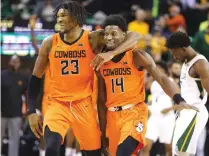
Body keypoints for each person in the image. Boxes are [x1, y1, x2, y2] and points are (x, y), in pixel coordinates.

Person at [27, 1, 141, 156]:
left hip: (83, 105)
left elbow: (134, 36)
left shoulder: (92, 39)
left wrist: (111, 53)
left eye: (63, 16)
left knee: (94, 152)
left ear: (75, 18)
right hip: (57, 104)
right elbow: (35, 78)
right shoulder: (50, 43)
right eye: (58, 16)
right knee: (51, 148)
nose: (59, 20)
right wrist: (31, 111)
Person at [96, 15, 196, 156]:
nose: (109, 37)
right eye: (106, 34)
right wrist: (102, 128)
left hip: (133, 113)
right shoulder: (101, 60)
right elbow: (101, 99)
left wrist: (178, 98)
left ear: (124, 35)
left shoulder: (137, 55)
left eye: (113, 33)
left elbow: (162, 78)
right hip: (112, 116)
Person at [164, 31, 209, 156]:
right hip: (184, 112)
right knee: (177, 152)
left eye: (174, 52)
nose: (174, 57)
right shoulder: (186, 62)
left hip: (195, 112)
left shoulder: (200, 64)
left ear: (182, 49)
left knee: (182, 151)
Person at [143, 61, 177, 156]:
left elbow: (180, 100)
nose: (155, 70)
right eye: (154, 68)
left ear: (164, 70)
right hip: (154, 117)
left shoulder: (170, 80)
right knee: (146, 145)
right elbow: (152, 94)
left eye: (158, 68)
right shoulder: (154, 83)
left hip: (167, 118)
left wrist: (169, 109)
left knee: (169, 148)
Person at [1, 55, 28, 156]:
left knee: (14, 139)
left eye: (16, 61)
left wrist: (26, 111)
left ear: (19, 64)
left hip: (16, 113)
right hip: (1, 113)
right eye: (13, 61)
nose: (15, 63)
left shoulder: (23, 78)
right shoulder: (2, 75)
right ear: (9, 63)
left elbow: (26, 96)